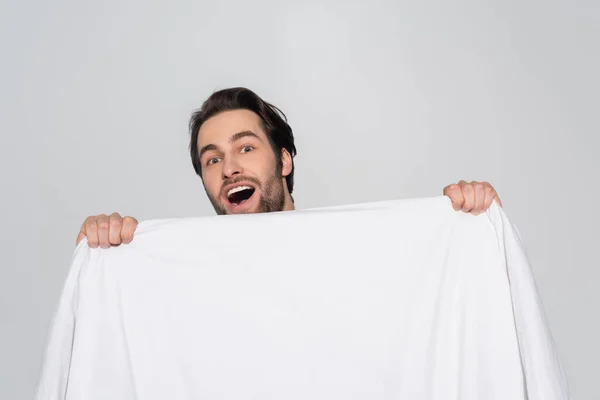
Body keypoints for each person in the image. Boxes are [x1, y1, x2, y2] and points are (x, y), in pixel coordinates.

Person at [76, 87, 502, 249]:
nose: (228, 168)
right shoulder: (176, 272)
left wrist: (467, 225)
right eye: (212, 158)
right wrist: (106, 255)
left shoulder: (353, 250)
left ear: (284, 160)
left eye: (245, 148)